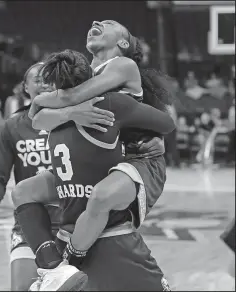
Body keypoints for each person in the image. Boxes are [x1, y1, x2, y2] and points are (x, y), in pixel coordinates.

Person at [14, 21, 174, 291]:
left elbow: (68, 97)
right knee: (23, 191)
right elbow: (38, 120)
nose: (95, 23)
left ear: (122, 43)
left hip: (137, 159)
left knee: (102, 196)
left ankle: (72, 260)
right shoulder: (87, 76)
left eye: (108, 23)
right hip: (101, 162)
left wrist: (43, 100)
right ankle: (53, 270)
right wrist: (69, 112)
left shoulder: (122, 65)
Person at [0, 62, 114, 291]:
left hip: (73, 223)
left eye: (48, 79)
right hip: (30, 225)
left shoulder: (78, 118)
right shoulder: (13, 125)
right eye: (37, 79)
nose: (44, 83)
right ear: (25, 87)